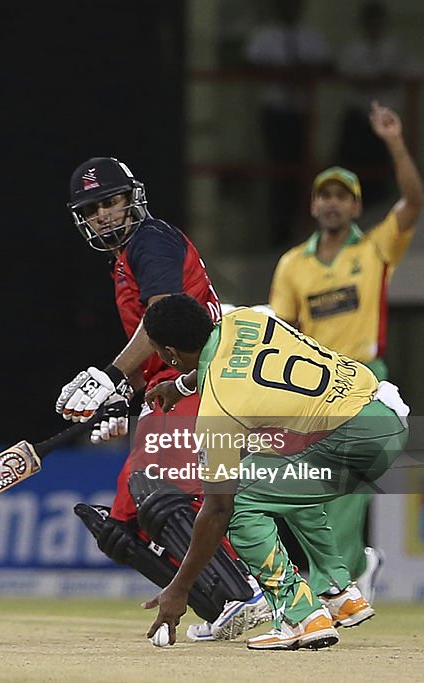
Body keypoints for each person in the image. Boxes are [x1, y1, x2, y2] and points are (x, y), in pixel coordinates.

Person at [54, 156, 269, 641]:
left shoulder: (151, 241)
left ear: (132, 199)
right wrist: (118, 400)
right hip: (173, 389)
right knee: (122, 529)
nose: (104, 215)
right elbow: (154, 351)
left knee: (159, 491)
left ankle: (251, 595)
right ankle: (224, 607)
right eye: (92, 209)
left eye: (110, 202)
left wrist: (108, 376)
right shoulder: (125, 260)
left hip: (201, 381)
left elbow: (166, 320)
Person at [140, 294, 410, 650]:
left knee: (235, 500)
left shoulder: (218, 410)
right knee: (279, 473)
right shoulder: (246, 319)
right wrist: (182, 385)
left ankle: (300, 615)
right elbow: (226, 355)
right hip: (385, 414)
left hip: (352, 441)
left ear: (169, 353)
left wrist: (180, 587)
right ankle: (339, 592)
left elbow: (217, 511)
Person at [269, 99, 424, 604]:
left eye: (343, 196)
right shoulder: (294, 264)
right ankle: (357, 566)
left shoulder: (374, 250)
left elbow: (415, 201)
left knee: (346, 488)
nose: (333, 203)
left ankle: (328, 588)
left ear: (357, 206)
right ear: (313, 205)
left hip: (364, 382)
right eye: (325, 196)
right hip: (312, 388)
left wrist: (395, 142)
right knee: (315, 492)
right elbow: (282, 331)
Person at [244, 0, 332, 246]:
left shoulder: (310, 37)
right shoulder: (264, 36)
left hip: (302, 113)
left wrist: (301, 72)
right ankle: (278, 233)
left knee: (301, 173)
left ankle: (301, 231)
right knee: (278, 172)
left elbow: (327, 66)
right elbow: (251, 66)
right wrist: (281, 73)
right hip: (274, 113)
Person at [336, 1, 424, 205]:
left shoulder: (396, 49)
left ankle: (378, 213)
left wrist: (386, 78)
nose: (373, 26)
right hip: (358, 118)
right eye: (370, 22)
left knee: (382, 174)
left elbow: (417, 72)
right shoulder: (352, 49)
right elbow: (346, 75)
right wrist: (374, 80)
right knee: (353, 171)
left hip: (384, 121)